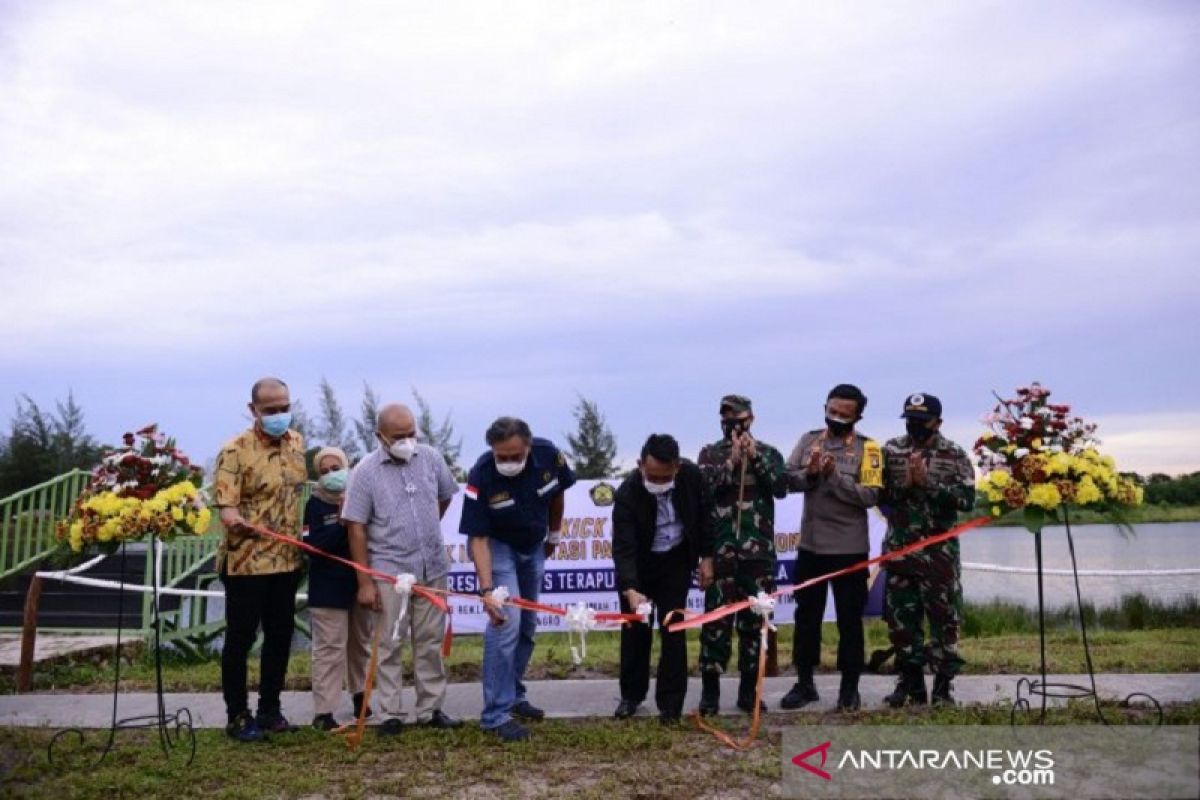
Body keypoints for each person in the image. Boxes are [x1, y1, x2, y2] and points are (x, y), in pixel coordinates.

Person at [343, 403, 462, 735]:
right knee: (390, 643)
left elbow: (445, 496)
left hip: (432, 565)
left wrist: (423, 527)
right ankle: (390, 713)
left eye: (411, 434)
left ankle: (430, 708)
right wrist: (365, 583)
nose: (407, 441)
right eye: (398, 436)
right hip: (389, 571)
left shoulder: (431, 458)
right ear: (380, 435)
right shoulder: (365, 471)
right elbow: (355, 527)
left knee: (429, 640)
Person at [460, 416, 576, 742]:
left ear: (527, 446)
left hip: (533, 544)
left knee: (527, 624)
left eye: (514, 456)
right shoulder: (481, 474)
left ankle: (514, 694)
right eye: (501, 457)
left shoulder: (548, 455)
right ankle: (495, 715)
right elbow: (478, 539)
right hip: (498, 547)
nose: (508, 462)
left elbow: (557, 495)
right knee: (506, 621)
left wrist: (554, 536)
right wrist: (486, 590)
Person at [213, 376, 307, 742]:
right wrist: (235, 518)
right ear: (253, 410)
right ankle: (237, 715)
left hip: (287, 560)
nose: (279, 415)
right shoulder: (234, 450)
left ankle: (270, 709)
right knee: (240, 639)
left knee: (280, 635)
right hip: (246, 563)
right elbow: (226, 507)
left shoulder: (297, 443)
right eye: (271, 410)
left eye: (285, 408)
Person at [781, 384, 882, 712]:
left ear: (857, 416)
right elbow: (787, 479)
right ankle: (805, 683)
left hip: (849, 549)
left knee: (849, 621)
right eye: (832, 411)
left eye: (844, 414)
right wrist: (810, 474)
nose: (836, 418)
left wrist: (834, 476)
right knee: (806, 618)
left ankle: (849, 688)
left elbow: (869, 497)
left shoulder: (869, 449)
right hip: (811, 547)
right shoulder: (810, 440)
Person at [879, 393, 975, 707]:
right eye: (910, 420)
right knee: (901, 622)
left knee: (944, 620)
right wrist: (905, 484)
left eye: (921, 421)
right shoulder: (891, 450)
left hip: (939, 555)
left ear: (937, 422)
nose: (914, 426)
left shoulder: (954, 454)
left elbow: (966, 500)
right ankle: (910, 684)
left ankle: (943, 687)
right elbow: (880, 497)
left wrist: (928, 485)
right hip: (900, 551)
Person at [611, 434, 712, 724]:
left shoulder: (692, 477)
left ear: (677, 467)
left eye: (664, 477)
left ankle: (670, 706)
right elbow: (623, 547)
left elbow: (706, 517)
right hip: (640, 566)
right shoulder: (628, 492)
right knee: (635, 631)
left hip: (675, 562)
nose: (658, 482)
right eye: (652, 476)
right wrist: (630, 587)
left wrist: (707, 557)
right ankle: (631, 697)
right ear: (640, 465)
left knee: (673, 631)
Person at [696, 394, 788, 715]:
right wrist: (732, 462)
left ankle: (750, 692)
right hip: (722, 555)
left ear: (751, 419)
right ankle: (710, 694)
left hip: (757, 556)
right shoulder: (710, 454)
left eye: (737, 418)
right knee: (716, 626)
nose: (732, 425)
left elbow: (780, 487)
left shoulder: (770, 453)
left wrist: (754, 459)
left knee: (754, 626)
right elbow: (705, 491)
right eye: (726, 419)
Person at [303, 446, 370, 731]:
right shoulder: (315, 504)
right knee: (329, 649)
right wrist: (342, 524)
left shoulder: (363, 495)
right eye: (325, 471)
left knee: (360, 645)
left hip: (361, 584)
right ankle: (325, 711)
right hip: (327, 586)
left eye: (336, 468)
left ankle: (361, 699)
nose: (332, 475)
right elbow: (312, 545)